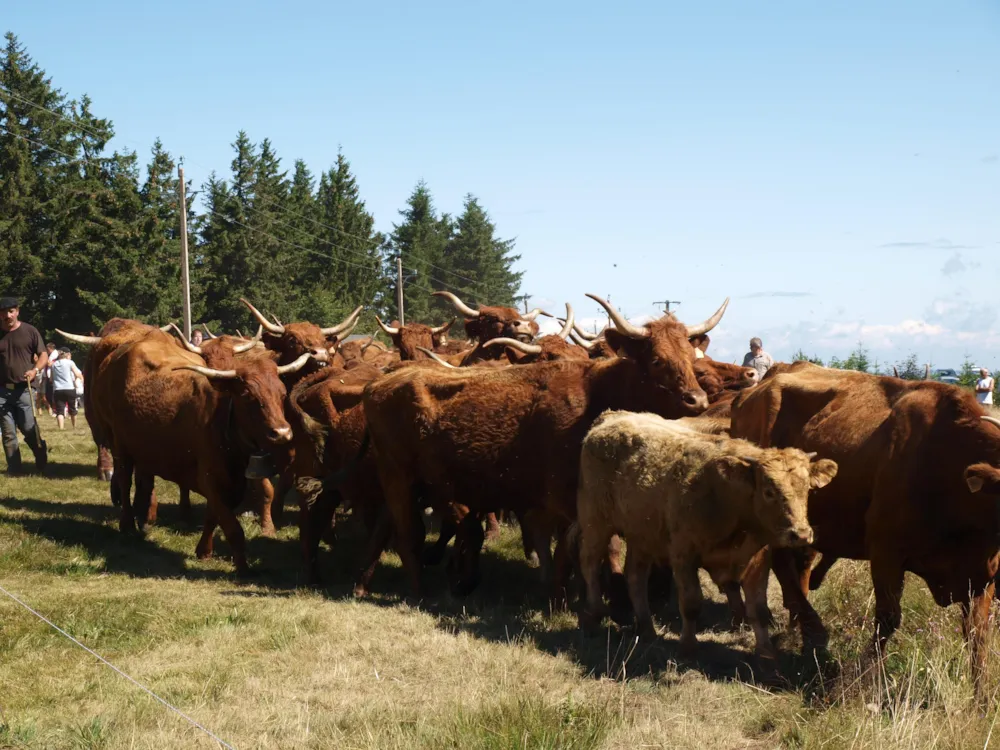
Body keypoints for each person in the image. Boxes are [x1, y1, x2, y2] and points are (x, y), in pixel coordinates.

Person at [0, 296, 48, 474]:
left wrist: (35, 370)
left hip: (24, 389)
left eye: (11, 311)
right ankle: (14, 469)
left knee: (28, 428)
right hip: (2, 391)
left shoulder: (30, 331)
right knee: (8, 432)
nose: (7, 315)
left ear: (17, 311)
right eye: (3, 312)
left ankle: (40, 451)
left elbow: (43, 355)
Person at [50, 347, 83, 430]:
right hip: (69, 388)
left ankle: (61, 428)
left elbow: (51, 379)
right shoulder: (70, 363)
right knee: (72, 409)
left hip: (58, 389)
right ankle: (74, 426)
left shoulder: (54, 364)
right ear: (67, 354)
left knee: (60, 410)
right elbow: (77, 373)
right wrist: (78, 380)